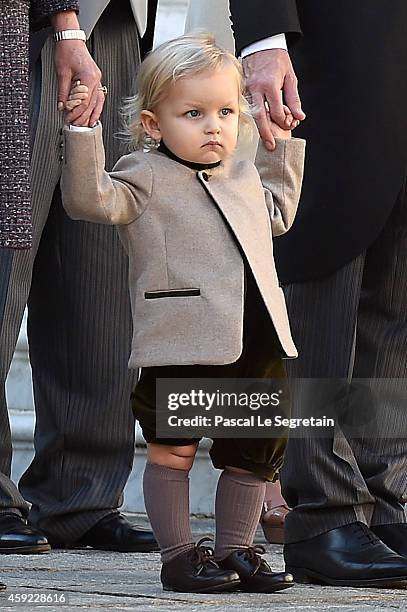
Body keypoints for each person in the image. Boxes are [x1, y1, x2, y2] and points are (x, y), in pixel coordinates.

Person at [60, 33, 305, 594]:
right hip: (182, 338)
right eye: (193, 114)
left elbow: (279, 215)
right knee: (174, 449)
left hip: (258, 341)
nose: (214, 126)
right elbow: (90, 200)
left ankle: (236, 550)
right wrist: (81, 134)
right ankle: (177, 557)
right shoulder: (142, 174)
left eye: (224, 112)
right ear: (153, 123)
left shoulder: (242, 173)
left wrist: (281, 148)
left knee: (253, 451)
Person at [187, 0, 407, 588]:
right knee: (322, 276)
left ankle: (385, 504)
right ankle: (323, 514)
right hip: (332, 52)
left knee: (393, 294)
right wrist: (264, 38)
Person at [0, 0, 157, 554]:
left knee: (98, 266)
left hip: (110, 23)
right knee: (6, 259)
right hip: (20, 24)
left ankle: (80, 495)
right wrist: (64, 21)